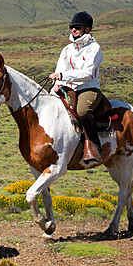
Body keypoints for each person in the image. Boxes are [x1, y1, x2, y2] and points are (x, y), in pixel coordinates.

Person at [49, 11, 105, 163]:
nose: (73, 30)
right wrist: (57, 84)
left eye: (77, 27)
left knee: (82, 111)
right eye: (72, 27)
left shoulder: (95, 48)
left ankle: (94, 147)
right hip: (67, 86)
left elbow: (87, 73)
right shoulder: (67, 50)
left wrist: (63, 77)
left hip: (87, 88)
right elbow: (59, 68)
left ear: (87, 29)